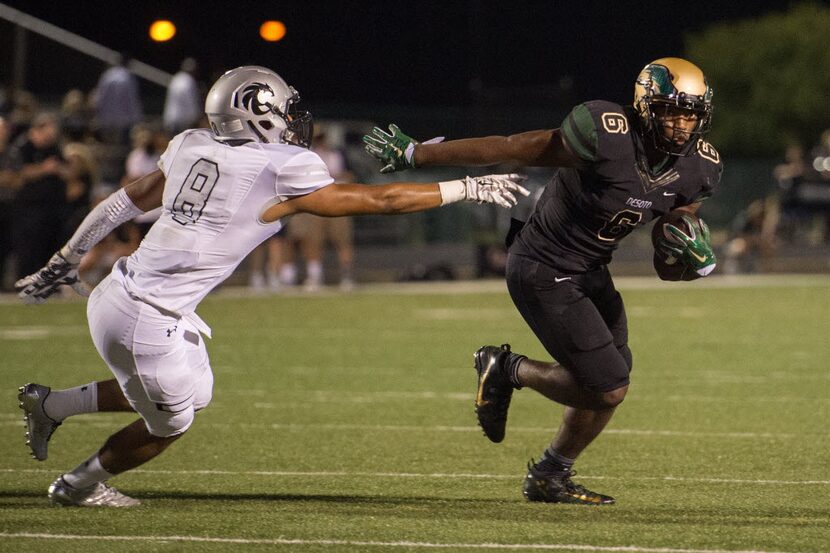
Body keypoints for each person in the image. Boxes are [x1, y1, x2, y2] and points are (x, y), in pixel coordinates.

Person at [14, 65, 528, 507]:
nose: (289, 122)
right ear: (256, 111)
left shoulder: (190, 144)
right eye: (282, 111)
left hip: (119, 293)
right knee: (170, 423)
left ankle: (51, 405)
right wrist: (466, 186)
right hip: (147, 316)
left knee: (194, 393)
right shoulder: (280, 166)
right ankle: (77, 486)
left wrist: (66, 259)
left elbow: (122, 203)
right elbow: (381, 201)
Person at [364, 57, 722, 505]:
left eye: (690, 113)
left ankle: (551, 475)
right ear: (646, 105)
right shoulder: (605, 131)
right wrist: (420, 152)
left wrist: (686, 251)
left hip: (591, 270)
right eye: (671, 111)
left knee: (610, 382)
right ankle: (507, 368)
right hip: (542, 265)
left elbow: (667, 262)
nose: (681, 124)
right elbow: (512, 147)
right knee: (608, 386)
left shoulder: (698, 168)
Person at [163, 58, 202, 136]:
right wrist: (196, 117)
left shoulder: (176, 78)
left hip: (171, 118)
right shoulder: (189, 81)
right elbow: (191, 102)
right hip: (183, 121)